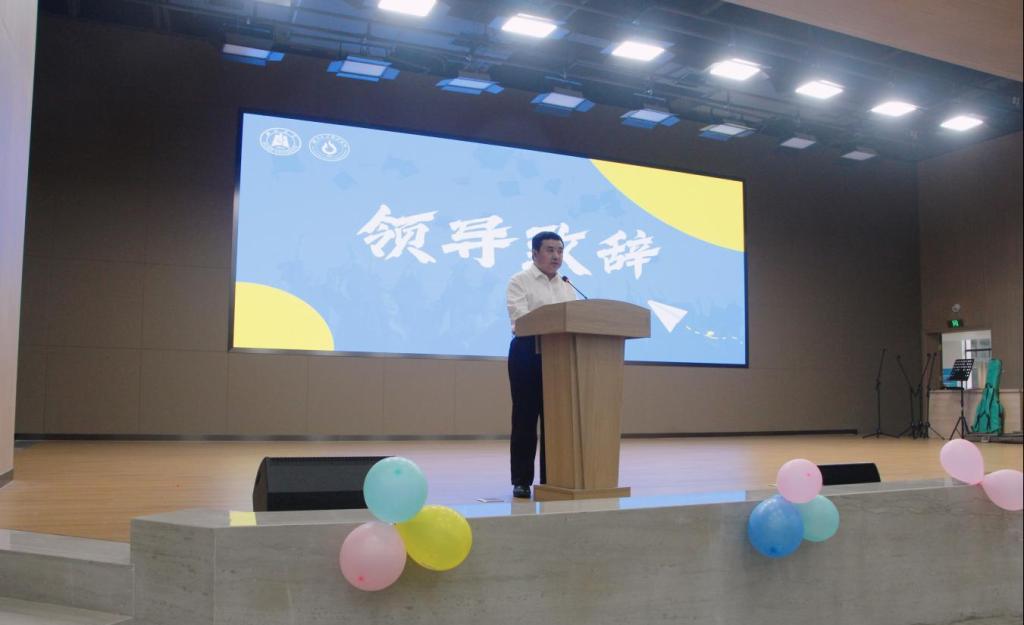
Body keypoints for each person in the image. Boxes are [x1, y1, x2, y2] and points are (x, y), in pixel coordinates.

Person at [505, 231, 577, 499]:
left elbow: (575, 320)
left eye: (560, 250)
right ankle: (521, 480)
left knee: (556, 419)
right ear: (535, 253)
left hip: (560, 356)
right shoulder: (519, 281)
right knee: (525, 418)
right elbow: (521, 320)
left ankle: (553, 477)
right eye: (550, 250)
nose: (556, 256)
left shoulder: (566, 285)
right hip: (528, 352)